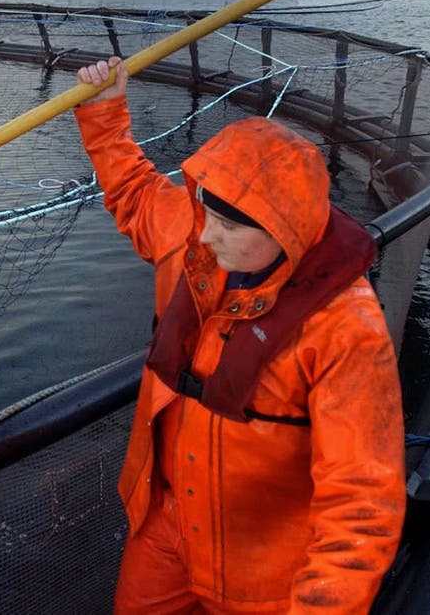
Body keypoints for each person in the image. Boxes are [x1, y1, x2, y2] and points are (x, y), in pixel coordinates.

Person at [73, 56, 406, 614]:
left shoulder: (346, 330)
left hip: (269, 570)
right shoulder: (193, 231)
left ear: (285, 229)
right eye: (204, 212)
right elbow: (133, 191)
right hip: (165, 529)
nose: (207, 235)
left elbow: (361, 503)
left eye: (229, 225)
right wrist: (104, 111)